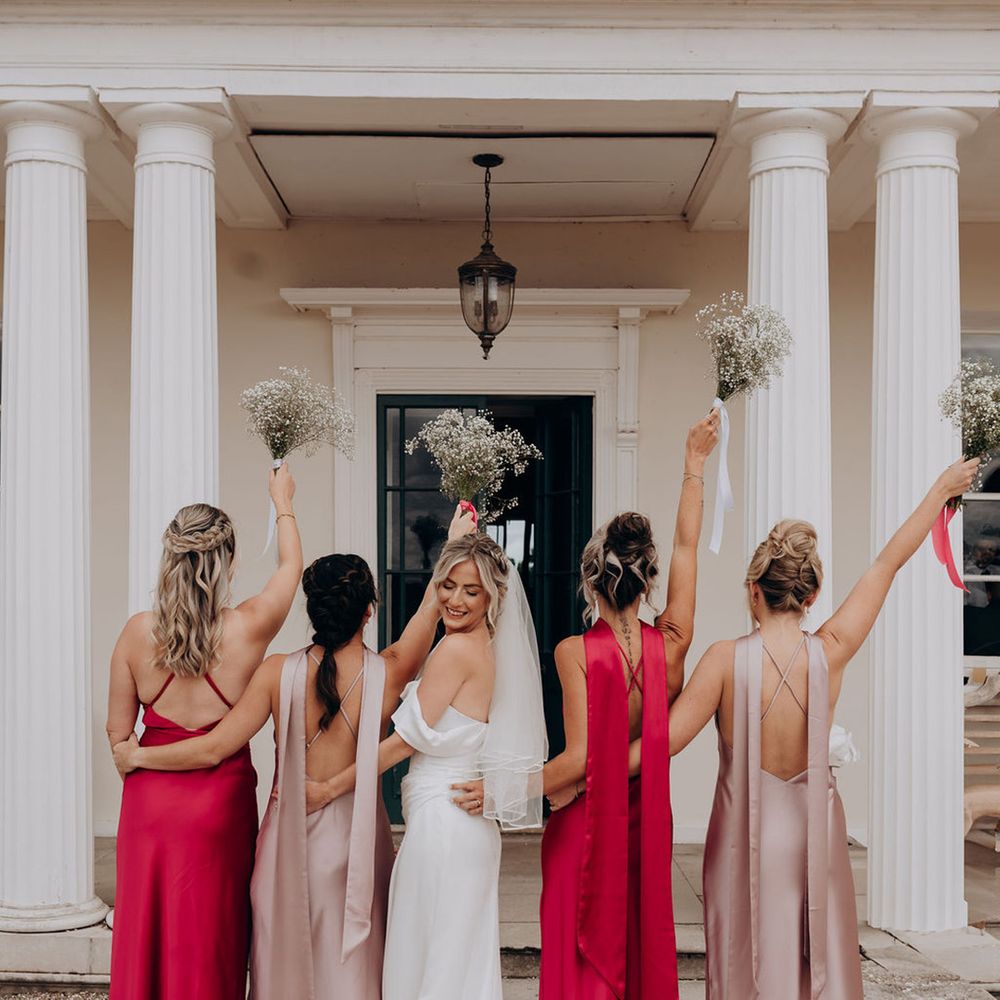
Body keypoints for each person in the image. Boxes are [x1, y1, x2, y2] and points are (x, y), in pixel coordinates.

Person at [112, 509, 474, 999]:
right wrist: (452, 546)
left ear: (313, 611)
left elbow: (217, 746)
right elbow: (427, 615)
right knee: (353, 965)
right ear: (369, 610)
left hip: (287, 840)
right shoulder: (387, 673)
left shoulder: (276, 673)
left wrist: (138, 757)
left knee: (281, 962)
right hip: (355, 836)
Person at [662, 457, 979, 1000]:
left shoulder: (720, 660)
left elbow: (661, 744)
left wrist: (576, 774)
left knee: (744, 966)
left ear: (753, 591)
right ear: (811, 597)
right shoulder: (830, 652)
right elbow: (886, 564)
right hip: (816, 839)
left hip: (742, 842)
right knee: (818, 965)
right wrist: (940, 490)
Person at [306, 531, 548, 1000]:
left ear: (492, 596)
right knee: (454, 963)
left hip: (444, 828)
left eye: (470, 591)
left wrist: (328, 788)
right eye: (447, 585)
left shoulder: (457, 650)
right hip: (459, 828)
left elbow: (400, 745)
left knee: (426, 962)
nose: (454, 599)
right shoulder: (484, 645)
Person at [531, 413, 719, 1000]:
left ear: (590, 583)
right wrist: (694, 465)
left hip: (585, 824)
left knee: (577, 954)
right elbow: (688, 545)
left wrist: (506, 788)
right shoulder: (675, 644)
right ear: (648, 582)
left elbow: (579, 763)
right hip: (646, 824)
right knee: (638, 944)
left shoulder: (573, 653)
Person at [106, 465, 302, 1000]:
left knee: (146, 931)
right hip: (219, 806)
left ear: (170, 559)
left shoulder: (135, 633)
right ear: (227, 562)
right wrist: (281, 500)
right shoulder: (250, 626)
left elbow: (119, 735)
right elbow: (291, 566)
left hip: (150, 806)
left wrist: (141, 759)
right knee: (209, 936)